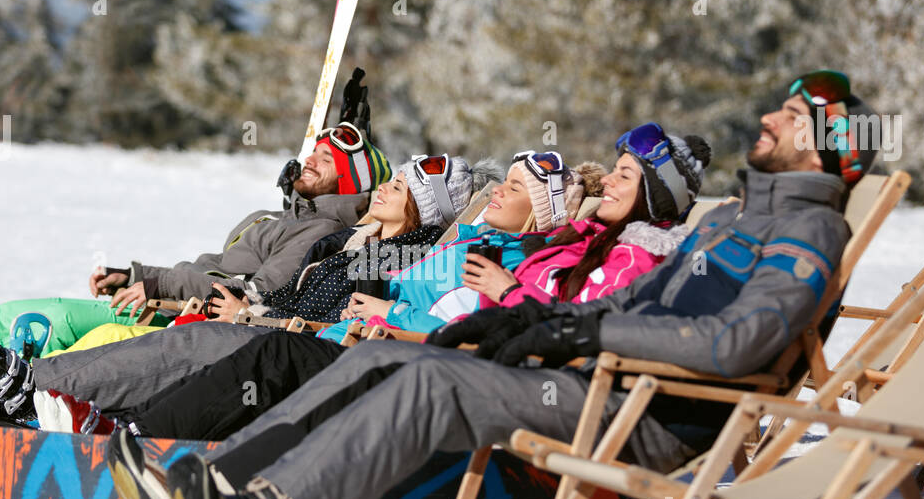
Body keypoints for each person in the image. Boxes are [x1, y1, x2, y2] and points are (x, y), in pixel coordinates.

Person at [109, 71, 881, 499]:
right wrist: (543, 316)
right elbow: (648, 302)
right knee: (386, 355)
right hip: (603, 380)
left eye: (787, 117)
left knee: (431, 379)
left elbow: (732, 347)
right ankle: (219, 489)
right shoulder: (741, 220)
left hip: (647, 411)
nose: (767, 119)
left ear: (826, 139)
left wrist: (590, 334)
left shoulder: (809, 235)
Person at [0, 72, 387, 403]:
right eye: (311, 151)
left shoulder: (323, 232)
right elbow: (215, 267)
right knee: (14, 316)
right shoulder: (275, 216)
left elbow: (246, 293)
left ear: (354, 177)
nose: (308, 158)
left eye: (326, 157)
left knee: (39, 332)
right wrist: (137, 277)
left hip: (188, 325)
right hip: (169, 304)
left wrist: (155, 291)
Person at [120, 132, 708, 443]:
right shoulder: (406, 247)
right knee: (241, 350)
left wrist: (397, 317)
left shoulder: (442, 254)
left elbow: (508, 324)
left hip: (426, 361)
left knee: (264, 355)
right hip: (382, 339)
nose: (384, 192)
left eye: (398, 188)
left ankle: (137, 436)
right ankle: (130, 427)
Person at [0, 155, 491, 424]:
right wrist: (251, 308)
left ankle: (33, 393)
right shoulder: (351, 243)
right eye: (388, 180)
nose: (382, 190)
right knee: (163, 345)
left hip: (302, 345)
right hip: (271, 325)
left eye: (399, 188)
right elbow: (285, 295)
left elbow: (359, 313)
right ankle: (32, 390)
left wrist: (253, 313)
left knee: (185, 346)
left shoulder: (408, 253)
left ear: (424, 208)